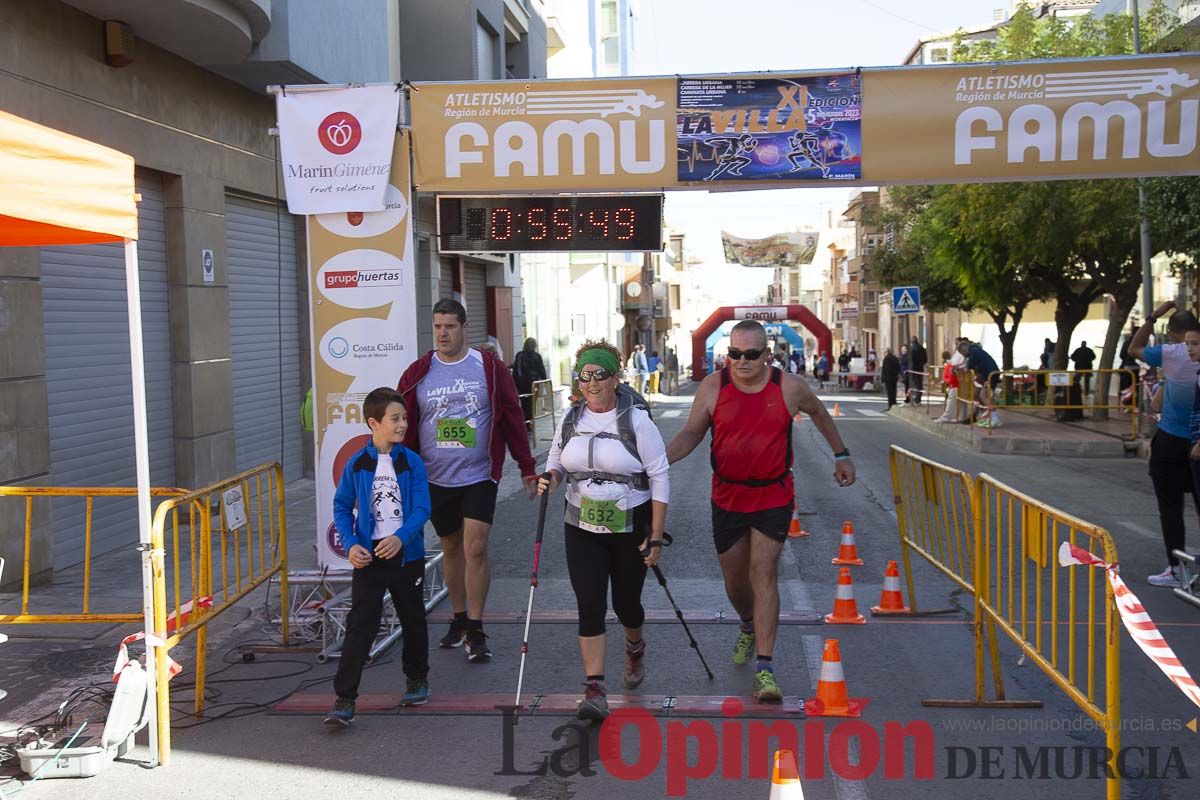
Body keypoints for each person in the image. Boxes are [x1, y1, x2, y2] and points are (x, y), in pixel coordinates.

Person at [666, 320, 855, 703]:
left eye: (751, 355)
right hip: (727, 496)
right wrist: (657, 462)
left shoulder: (788, 387)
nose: (742, 362)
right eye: (734, 354)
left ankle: (765, 668)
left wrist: (841, 454)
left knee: (763, 571)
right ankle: (748, 624)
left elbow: (819, 413)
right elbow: (691, 433)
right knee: (736, 582)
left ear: (767, 355)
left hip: (773, 494)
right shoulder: (713, 387)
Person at [397, 298, 538, 662]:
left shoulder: (487, 367)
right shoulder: (418, 372)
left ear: (464, 328)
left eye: (450, 326)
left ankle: (476, 627)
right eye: (437, 327)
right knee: (450, 545)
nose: (443, 333)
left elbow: (510, 414)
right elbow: (403, 421)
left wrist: (526, 466)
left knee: (476, 546)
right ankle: (458, 619)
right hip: (434, 476)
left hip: (479, 473)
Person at [539, 339, 670, 720]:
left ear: (616, 378)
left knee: (626, 605)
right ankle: (594, 688)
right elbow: (556, 462)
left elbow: (660, 476)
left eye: (600, 375)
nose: (592, 383)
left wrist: (657, 534)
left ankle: (634, 647)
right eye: (585, 376)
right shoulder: (570, 420)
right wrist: (549, 477)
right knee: (589, 604)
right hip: (580, 525)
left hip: (630, 525)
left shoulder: (637, 422)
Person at [325, 388, 432, 726]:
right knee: (360, 625)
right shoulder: (357, 464)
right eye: (395, 419)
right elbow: (342, 506)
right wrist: (351, 542)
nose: (402, 425)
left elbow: (421, 508)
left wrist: (401, 538)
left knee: (413, 618)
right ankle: (344, 699)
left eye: (404, 418)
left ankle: (416, 678)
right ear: (374, 422)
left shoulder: (411, 462)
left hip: (405, 555)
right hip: (370, 557)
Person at [1128, 301, 1200, 587]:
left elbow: (1133, 349)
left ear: (1173, 334)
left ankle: (1176, 568)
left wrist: (1152, 317)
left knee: (1171, 507)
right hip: (1194, 442)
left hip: (1171, 439)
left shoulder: (1171, 353)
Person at [958, 338, 1001, 427]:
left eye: (963, 354)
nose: (965, 356)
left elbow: (968, 367)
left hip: (991, 374)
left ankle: (994, 417)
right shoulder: (976, 350)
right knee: (986, 396)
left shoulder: (973, 352)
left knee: (983, 395)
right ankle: (989, 417)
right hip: (991, 374)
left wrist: (959, 369)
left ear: (964, 350)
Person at [512, 338, 549, 426]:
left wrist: (515, 383)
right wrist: (545, 384)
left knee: (524, 404)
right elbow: (542, 371)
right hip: (534, 384)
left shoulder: (519, 355)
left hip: (521, 385)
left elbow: (516, 370)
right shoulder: (537, 356)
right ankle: (530, 422)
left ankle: (525, 422)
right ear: (534, 346)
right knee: (532, 404)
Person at [935, 350, 960, 423]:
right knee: (952, 400)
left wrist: (946, 381)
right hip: (953, 384)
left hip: (953, 385)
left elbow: (950, 376)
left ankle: (947, 416)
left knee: (951, 400)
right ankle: (955, 416)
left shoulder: (950, 365)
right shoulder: (952, 364)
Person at [907, 337, 928, 405]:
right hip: (920, 368)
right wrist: (921, 364)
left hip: (913, 369)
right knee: (919, 384)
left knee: (913, 384)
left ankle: (914, 399)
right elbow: (925, 359)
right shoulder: (922, 348)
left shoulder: (911, 348)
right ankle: (918, 399)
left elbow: (910, 359)